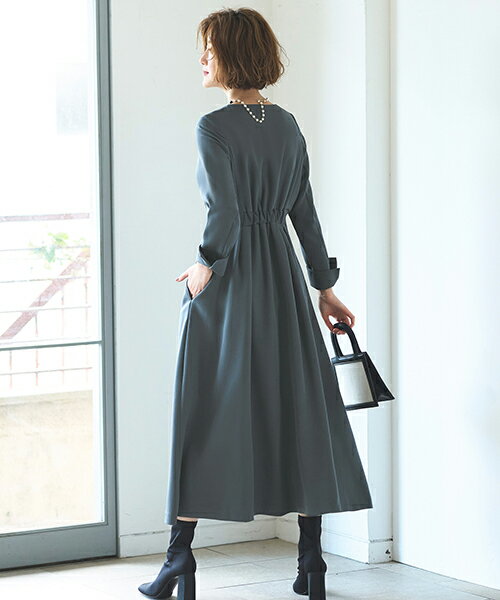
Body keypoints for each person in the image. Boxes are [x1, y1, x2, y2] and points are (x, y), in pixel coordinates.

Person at [139, 7, 373, 600]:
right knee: (300, 409)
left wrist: (205, 263)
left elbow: (223, 211)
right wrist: (323, 287)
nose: (201, 59)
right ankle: (311, 560)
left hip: (233, 282)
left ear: (232, 55)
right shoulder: (287, 124)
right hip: (285, 284)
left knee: (203, 412)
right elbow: (305, 213)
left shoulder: (213, 126)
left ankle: (178, 559)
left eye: (210, 49)